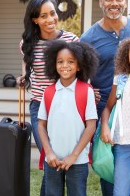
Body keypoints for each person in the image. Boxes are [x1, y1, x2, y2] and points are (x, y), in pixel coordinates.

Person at [80, 0, 130, 196]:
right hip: (105, 109)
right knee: (111, 170)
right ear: (100, 2)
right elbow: (80, 75)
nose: (114, 4)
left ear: (125, 2)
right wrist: (88, 90)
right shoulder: (88, 38)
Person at [17, 0, 79, 195]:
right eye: (43, 16)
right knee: (50, 157)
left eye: (52, 13)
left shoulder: (70, 40)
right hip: (40, 109)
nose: (50, 20)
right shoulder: (28, 43)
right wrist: (22, 78)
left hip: (66, 108)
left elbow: (80, 74)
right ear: (35, 19)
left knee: (57, 159)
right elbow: (28, 72)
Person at [37, 40, 98, 196]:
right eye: (60, 61)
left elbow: (91, 126)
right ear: (54, 64)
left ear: (79, 66)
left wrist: (74, 155)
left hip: (77, 161)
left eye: (70, 62)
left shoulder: (86, 91)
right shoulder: (49, 92)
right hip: (53, 160)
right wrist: (49, 153)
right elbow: (41, 125)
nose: (65, 65)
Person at [100, 32, 130, 196]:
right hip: (123, 143)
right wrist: (104, 127)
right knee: (120, 192)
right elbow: (108, 107)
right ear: (126, 54)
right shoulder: (121, 79)